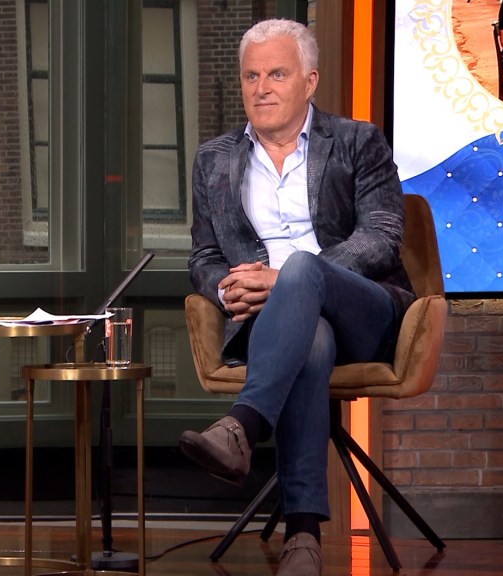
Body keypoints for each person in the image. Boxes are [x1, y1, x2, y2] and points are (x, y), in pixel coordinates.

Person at [178, 19, 414, 576]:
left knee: (303, 269)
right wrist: (228, 288)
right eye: (251, 76)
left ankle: (243, 424)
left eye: (277, 74)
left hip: (364, 312)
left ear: (309, 82)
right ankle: (303, 538)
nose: (261, 88)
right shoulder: (213, 160)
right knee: (312, 338)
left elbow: (381, 237)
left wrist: (286, 278)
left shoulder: (358, 141)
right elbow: (203, 256)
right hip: (272, 325)